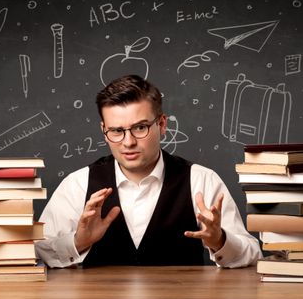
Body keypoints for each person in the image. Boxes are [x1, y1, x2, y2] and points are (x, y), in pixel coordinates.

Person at [35, 75, 262, 268]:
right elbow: (38, 251)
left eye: (140, 127)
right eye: (116, 131)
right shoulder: (78, 184)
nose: (128, 142)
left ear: (162, 124)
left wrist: (220, 240)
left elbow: (253, 255)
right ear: (104, 130)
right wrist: (78, 242)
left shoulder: (201, 180)